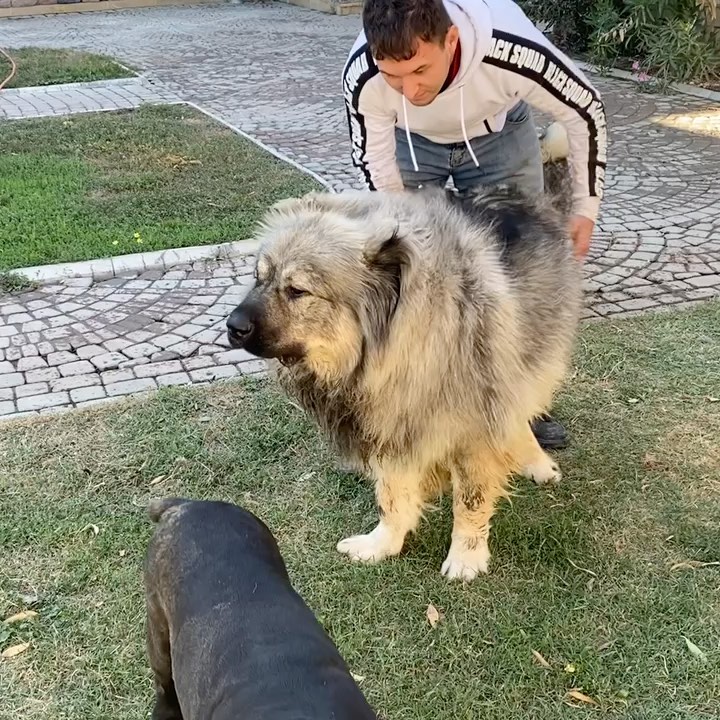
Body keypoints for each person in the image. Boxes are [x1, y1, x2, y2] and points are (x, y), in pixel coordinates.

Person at [341, 0, 608, 450]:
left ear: (451, 40)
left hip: (499, 135)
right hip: (411, 144)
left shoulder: (511, 48)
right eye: (393, 76)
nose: (409, 90)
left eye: (420, 70)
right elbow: (377, 168)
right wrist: (407, 228)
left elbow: (585, 110)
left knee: (521, 274)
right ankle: (418, 395)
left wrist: (586, 207)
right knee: (409, 272)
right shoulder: (363, 74)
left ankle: (524, 406)